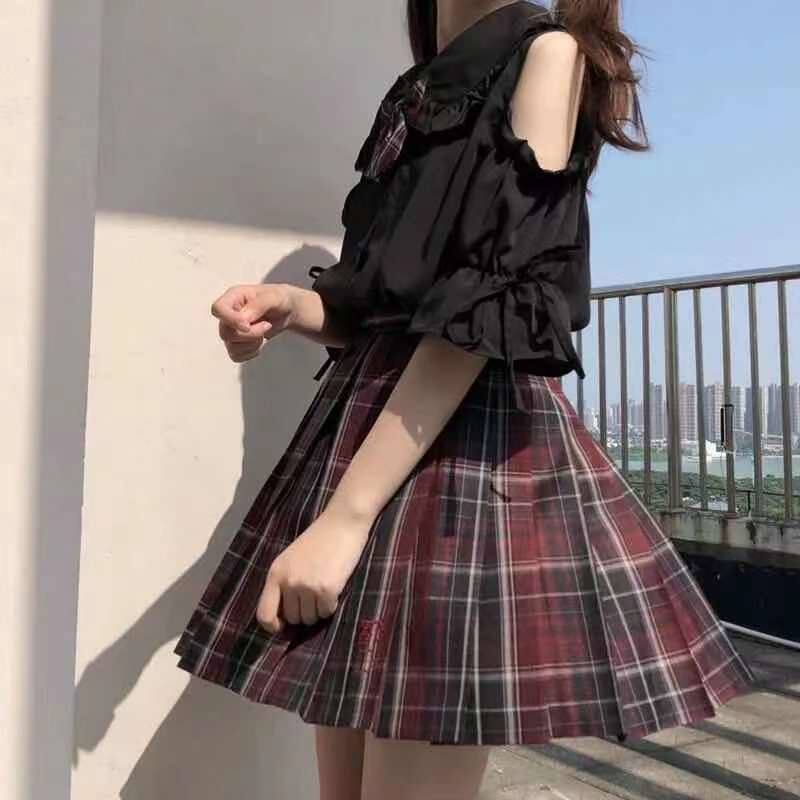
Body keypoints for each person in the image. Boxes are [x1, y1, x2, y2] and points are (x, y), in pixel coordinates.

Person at [174, 1, 754, 798]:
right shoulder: (423, 82)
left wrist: (345, 520)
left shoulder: (548, 53)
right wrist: (293, 306)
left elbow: (491, 307)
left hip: (458, 453)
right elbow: (383, 303)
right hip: (371, 432)